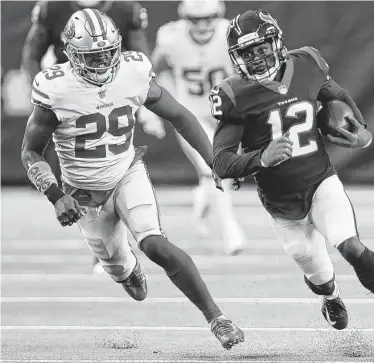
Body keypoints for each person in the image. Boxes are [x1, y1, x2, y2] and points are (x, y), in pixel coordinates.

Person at [210, 9, 374, 357]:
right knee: (317, 272)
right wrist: (258, 159)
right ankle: (330, 295)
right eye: (246, 53)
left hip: (320, 183)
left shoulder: (307, 63)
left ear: (276, 42)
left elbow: (335, 94)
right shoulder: (236, 94)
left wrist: (359, 126)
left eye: (260, 48)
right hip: (282, 207)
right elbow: (220, 161)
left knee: (351, 246)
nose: (255, 57)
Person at [21, 9, 244, 350]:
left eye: (107, 54)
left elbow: (181, 115)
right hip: (82, 194)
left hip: (126, 172)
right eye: (91, 57)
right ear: (71, 54)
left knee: (154, 243)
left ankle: (217, 318)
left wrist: (213, 159)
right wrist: (55, 194)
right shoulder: (55, 88)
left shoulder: (133, 71)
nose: (101, 63)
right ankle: (127, 270)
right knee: (128, 279)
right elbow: (30, 152)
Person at [21, 0, 165, 273]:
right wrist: (40, 92)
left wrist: (144, 99)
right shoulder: (52, 7)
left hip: (112, 95)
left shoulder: (124, 8)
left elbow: (140, 54)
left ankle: (115, 247)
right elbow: (31, 53)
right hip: (68, 99)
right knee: (81, 175)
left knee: (117, 169)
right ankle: (106, 248)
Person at [148, 0, 246, 255]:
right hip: (192, 117)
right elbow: (148, 72)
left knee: (213, 173)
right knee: (218, 167)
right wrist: (151, 111)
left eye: (208, 18)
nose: (202, 25)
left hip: (227, 113)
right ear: (184, 17)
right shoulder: (172, 38)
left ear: (218, 15)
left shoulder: (231, 33)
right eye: (195, 19)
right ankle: (230, 229)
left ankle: (202, 200)